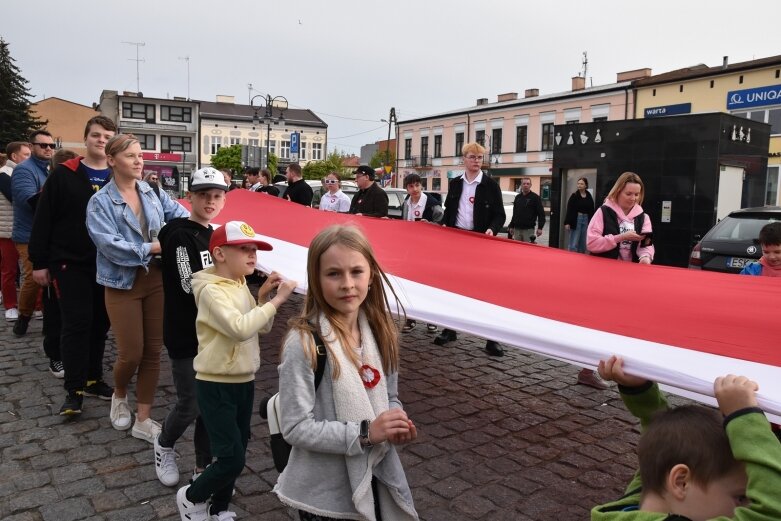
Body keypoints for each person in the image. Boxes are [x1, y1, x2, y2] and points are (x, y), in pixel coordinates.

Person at [273, 224, 418, 520]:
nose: (347, 284)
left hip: (377, 475)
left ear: (371, 275)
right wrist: (366, 433)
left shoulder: (381, 332)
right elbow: (295, 427)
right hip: (326, 494)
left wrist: (394, 424)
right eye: (333, 273)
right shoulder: (303, 343)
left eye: (356, 272)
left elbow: (390, 396)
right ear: (316, 278)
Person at [175, 220, 297, 521]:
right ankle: (191, 498)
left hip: (244, 380)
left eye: (254, 249)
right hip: (215, 383)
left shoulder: (240, 284)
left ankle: (218, 509)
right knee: (231, 457)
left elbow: (261, 326)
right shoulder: (210, 291)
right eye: (244, 249)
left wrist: (263, 300)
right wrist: (280, 299)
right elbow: (239, 329)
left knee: (236, 452)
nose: (252, 255)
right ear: (219, 254)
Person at [87, 133, 189, 441]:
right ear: (112, 161)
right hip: (122, 283)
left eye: (140, 155)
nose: (139, 160)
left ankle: (143, 418)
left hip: (157, 280)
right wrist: (156, 247)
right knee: (131, 353)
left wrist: (197, 227)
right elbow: (111, 247)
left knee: (153, 352)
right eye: (131, 156)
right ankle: (119, 394)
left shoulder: (150, 190)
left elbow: (180, 215)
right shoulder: (99, 202)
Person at [591, 355, 781, 520]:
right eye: (740, 498)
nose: (748, 508)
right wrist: (745, 419)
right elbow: (772, 511)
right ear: (681, 482)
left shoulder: (643, 495)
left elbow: (660, 434)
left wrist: (639, 389)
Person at [30, 118, 118, 414]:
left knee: (100, 325)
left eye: (107, 136)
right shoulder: (64, 175)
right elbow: (43, 219)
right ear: (86, 138)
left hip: (108, 264)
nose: (101, 140)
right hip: (70, 263)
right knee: (77, 323)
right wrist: (39, 262)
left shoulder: (118, 176)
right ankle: (74, 389)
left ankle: (93, 378)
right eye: (96, 135)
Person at [153, 167, 229, 487]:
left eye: (217, 196)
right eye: (204, 196)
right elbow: (188, 284)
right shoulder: (180, 233)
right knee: (191, 402)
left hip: (215, 335)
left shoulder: (218, 235)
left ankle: (201, 468)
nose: (210, 201)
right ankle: (164, 443)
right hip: (187, 333)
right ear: (191, 197)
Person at [581, 172, 654, 390]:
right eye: (629, 193)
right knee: (599, 323)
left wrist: (645, 257)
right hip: (604, 277)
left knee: (624, 323)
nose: (633, 198)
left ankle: (620, 367)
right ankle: (587, 369)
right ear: (618, 191)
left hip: (630, 278)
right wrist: (620, 238)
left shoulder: (643, 217)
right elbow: (592, 243)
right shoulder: (603, 212)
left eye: (637, 194)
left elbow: (647, 244)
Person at [436, 142, 506, 356]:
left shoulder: (490, 185)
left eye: (479, 157)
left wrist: (492, 229)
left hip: (480, 242)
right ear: (464, 159)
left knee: (485, 289)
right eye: (472, 156)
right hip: (457, 240)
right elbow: (449, 211)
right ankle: (450, 329)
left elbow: (500, 214)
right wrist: (440, 228)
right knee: (453, 286)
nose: (476, 160)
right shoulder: (456, 184)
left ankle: (491, 338)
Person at [30, 147, 78, 382]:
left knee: (74, 315)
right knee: (54, 313)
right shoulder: (45, 193)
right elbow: (40, 229)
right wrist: (40, 262)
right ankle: (55, 355)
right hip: (54, 262)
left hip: (75, 262)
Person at [11, 130, 54, 336]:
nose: (48, 149)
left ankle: (49, 316)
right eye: (43, 145)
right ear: (32, 146)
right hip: (28, 234)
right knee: (33, 278)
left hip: (50, 234)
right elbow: (28, 200)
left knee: (52, 278)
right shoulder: (23, 170)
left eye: (51, 146)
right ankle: (23, 317)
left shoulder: (51, 170)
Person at [401, 173, 442, 334]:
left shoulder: (432, 204)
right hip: (411, 250)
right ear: (407, 188)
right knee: (411, 285)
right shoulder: (406, 203)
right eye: (411, 186)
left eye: (417, 185)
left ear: (421, 186)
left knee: (429, 286)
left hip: (429, 250)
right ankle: (411, 318)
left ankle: (431, 320)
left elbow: (442, 224)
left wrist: (430, 224)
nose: (415, 189)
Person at [0, 141, 31, 322]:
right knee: (9, 270)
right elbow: (20, 200)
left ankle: (35, 306)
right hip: (8, 231)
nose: (29, 158)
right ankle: (11, 305)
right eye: (26, 155)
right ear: (14, 157)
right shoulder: (4, 175)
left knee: (30, 271)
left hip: (24, 229)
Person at [508, 177, 545, 243]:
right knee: (517, 249)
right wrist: (511, 226)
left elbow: (541, 214)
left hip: (528, 230)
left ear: (530, 185)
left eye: (528, 184)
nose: (526, 185)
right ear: (521, 185)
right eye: (524, 183)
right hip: (517, 229)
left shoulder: (535, 198)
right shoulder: (518, 197)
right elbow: (515, 213)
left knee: (527, 250)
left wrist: (540, 228)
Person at [563, 177, 595, 253]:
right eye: (578, 183)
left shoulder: (589, 195)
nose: (579, 185)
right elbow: (569, 209)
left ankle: (581, 258)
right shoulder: (574, 195)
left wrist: (592, 223)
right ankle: (572, 258)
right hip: (577, 218)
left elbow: (591, 209)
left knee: (583, 242)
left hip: (586, 219)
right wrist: (567, 222)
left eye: (581, 184)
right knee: (574, 241)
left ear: (585, 185)